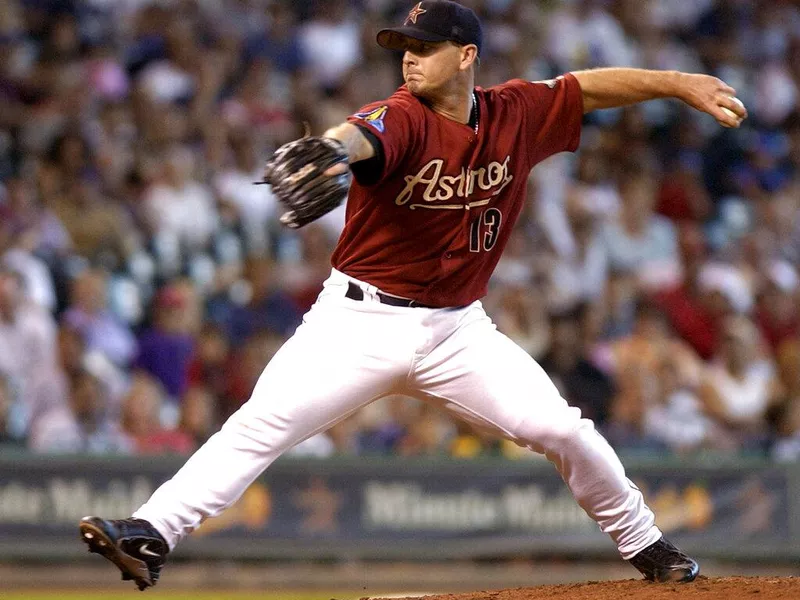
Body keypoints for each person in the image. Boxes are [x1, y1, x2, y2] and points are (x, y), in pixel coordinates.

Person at [79, 1, 747, 590]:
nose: (410, 60)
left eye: (424, 48)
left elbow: (586, 89)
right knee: (259, 427)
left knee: (559, 428)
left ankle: (649, 547)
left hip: (458, 330)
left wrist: (677, 82)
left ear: (467, 56)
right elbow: (359, 135)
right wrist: (333, 152)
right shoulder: (399, 116)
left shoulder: (515, 112)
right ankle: (150, 534)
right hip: (355, 324)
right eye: (404, 48)